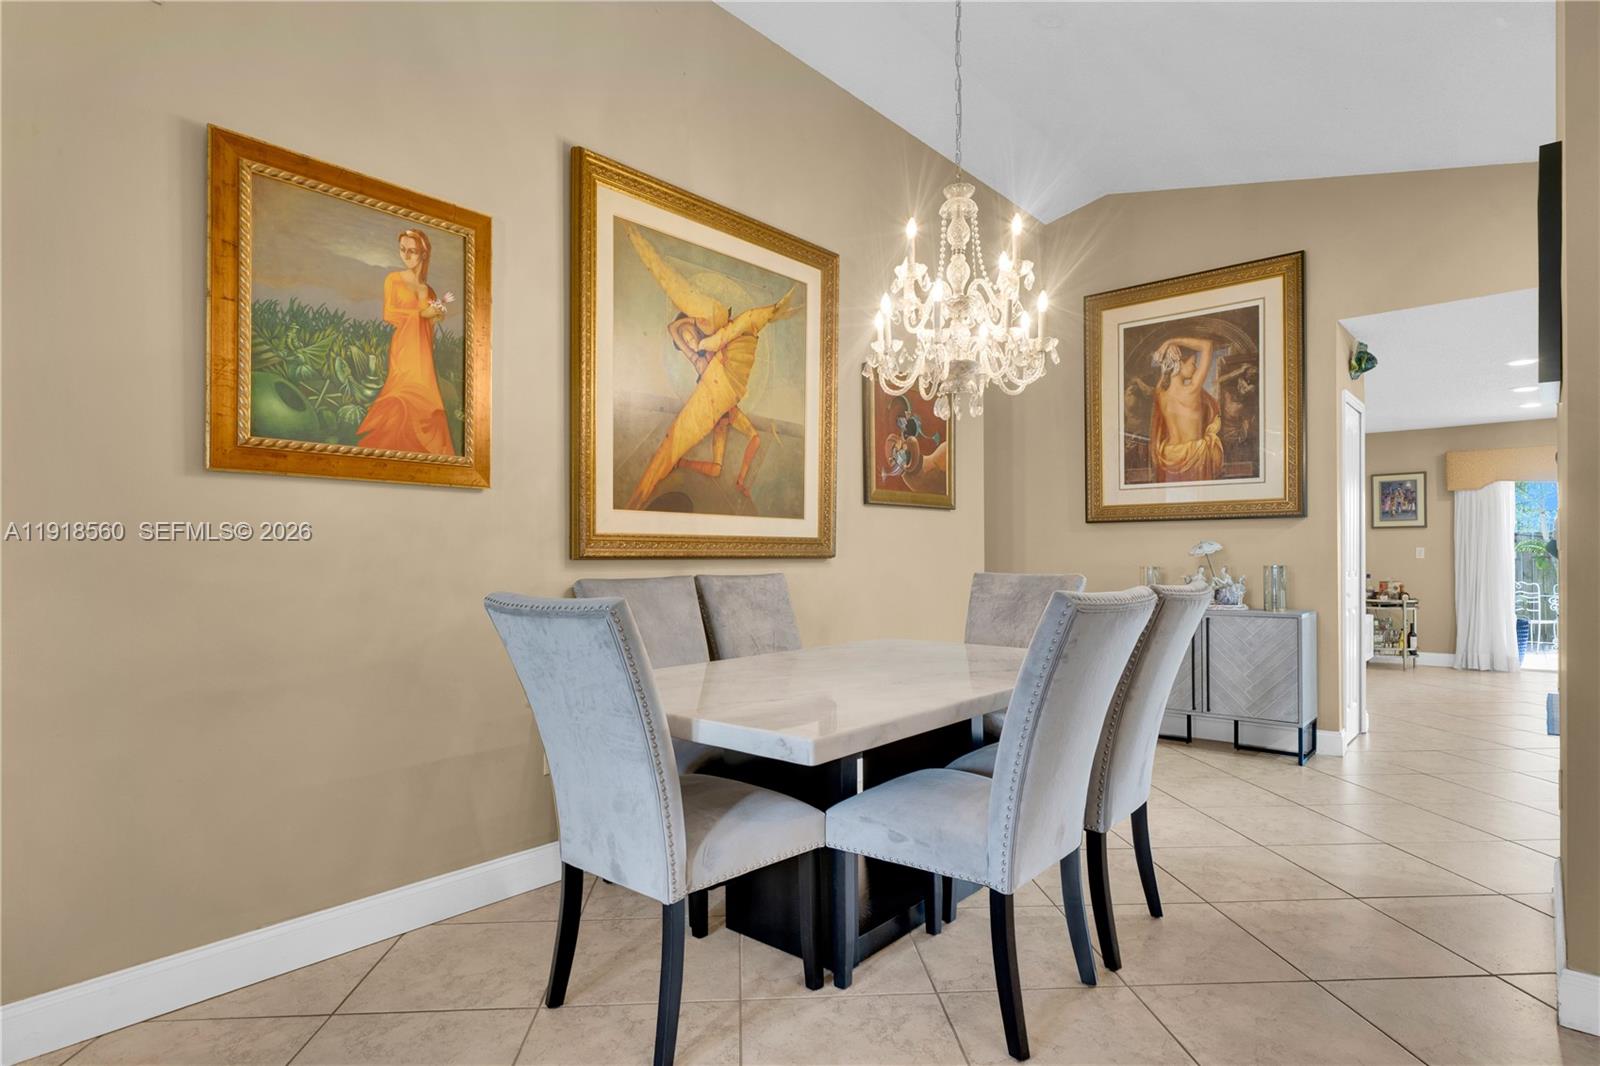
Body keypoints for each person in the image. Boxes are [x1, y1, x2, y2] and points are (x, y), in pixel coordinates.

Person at [622, 222, 799, 511]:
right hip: (721, 385)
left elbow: (725, 460)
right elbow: (742, 447)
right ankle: (635, 503)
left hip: (721, 384)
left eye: (693, 333)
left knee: (672, 445)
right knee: (672, 445)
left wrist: (695, 335)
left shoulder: (718, 348)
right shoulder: (724, 404)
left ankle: (635, 503)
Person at [355, 229, 456, 456]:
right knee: (402, 394)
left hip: (423, 350)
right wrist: (421, 314)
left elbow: (433, 321)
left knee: (427, 401)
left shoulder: (428, 289)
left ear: (423, 253)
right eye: (403, 250)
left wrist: (437, 311)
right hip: (404, 347)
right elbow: (389, 313)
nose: (406, 255)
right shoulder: (393, 279)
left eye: (412, 251)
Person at [1149, 336, 1222, 482]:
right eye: (1193, 363)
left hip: (1168, 455)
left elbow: (1165, 370)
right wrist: (1170, 342)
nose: (1195, 368)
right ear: (1180, 363)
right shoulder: (1191, 390)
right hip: (1194, 456)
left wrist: (1167, 348)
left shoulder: (1160, 392)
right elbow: (1207, 345)